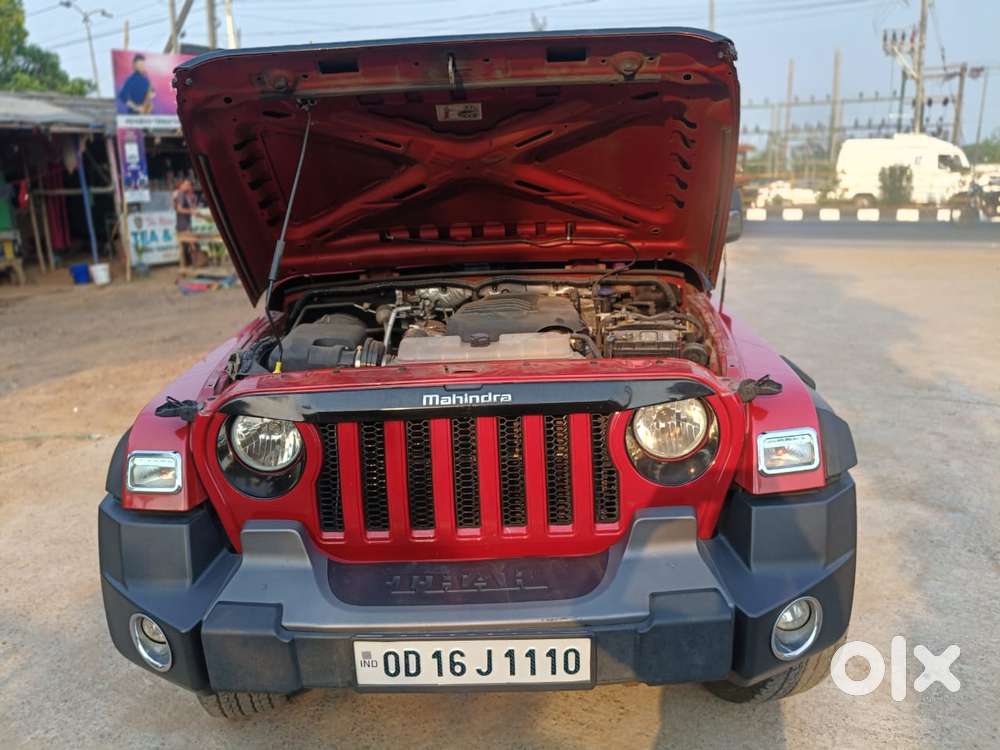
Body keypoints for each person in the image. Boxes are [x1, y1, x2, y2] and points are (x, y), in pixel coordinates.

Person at [172, 179, 203, 266]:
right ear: (181, 185)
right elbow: (179, 209)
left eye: (189, 185)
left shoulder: (179, 194)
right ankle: (195, 263)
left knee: (190, 244)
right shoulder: (181, 194)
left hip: (183, 223)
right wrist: (191, 211)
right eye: (186, 185)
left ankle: (192, 263)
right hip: (184, 224)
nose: (188, 186)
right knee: (192, 243)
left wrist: (193, 212)